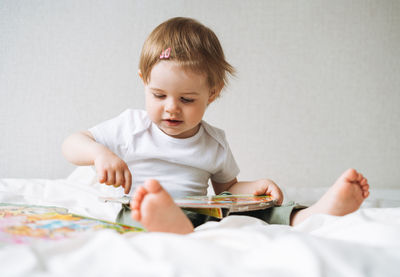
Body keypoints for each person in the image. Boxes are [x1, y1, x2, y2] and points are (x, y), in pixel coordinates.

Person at [62, 17, 369, 230]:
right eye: (158, 95)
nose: (171, 109)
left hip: (199, 213)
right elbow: (72, 143)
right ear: (143, 82)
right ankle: (164, 222)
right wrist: (100, 154)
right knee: (123, 215)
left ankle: (311, 215)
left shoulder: (214, 142)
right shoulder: (131, 126)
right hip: (139, 207)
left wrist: (256, 187)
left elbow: (227, 190)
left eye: (187, 99)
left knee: (254, 213)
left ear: (212, 93)